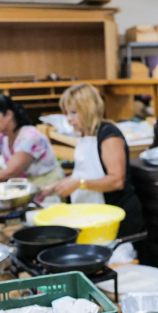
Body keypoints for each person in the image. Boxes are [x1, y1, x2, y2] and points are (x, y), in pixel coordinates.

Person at [41, 83, 144, 236]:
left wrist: (79, 184)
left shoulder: (109, 135)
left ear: (88, 109)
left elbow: (116, 181)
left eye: (74, 113)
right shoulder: (86, 135)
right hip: (93, 216)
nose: (69, 119)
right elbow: (85, 173)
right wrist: (55, 187)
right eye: (67, 113)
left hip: (117, 220)